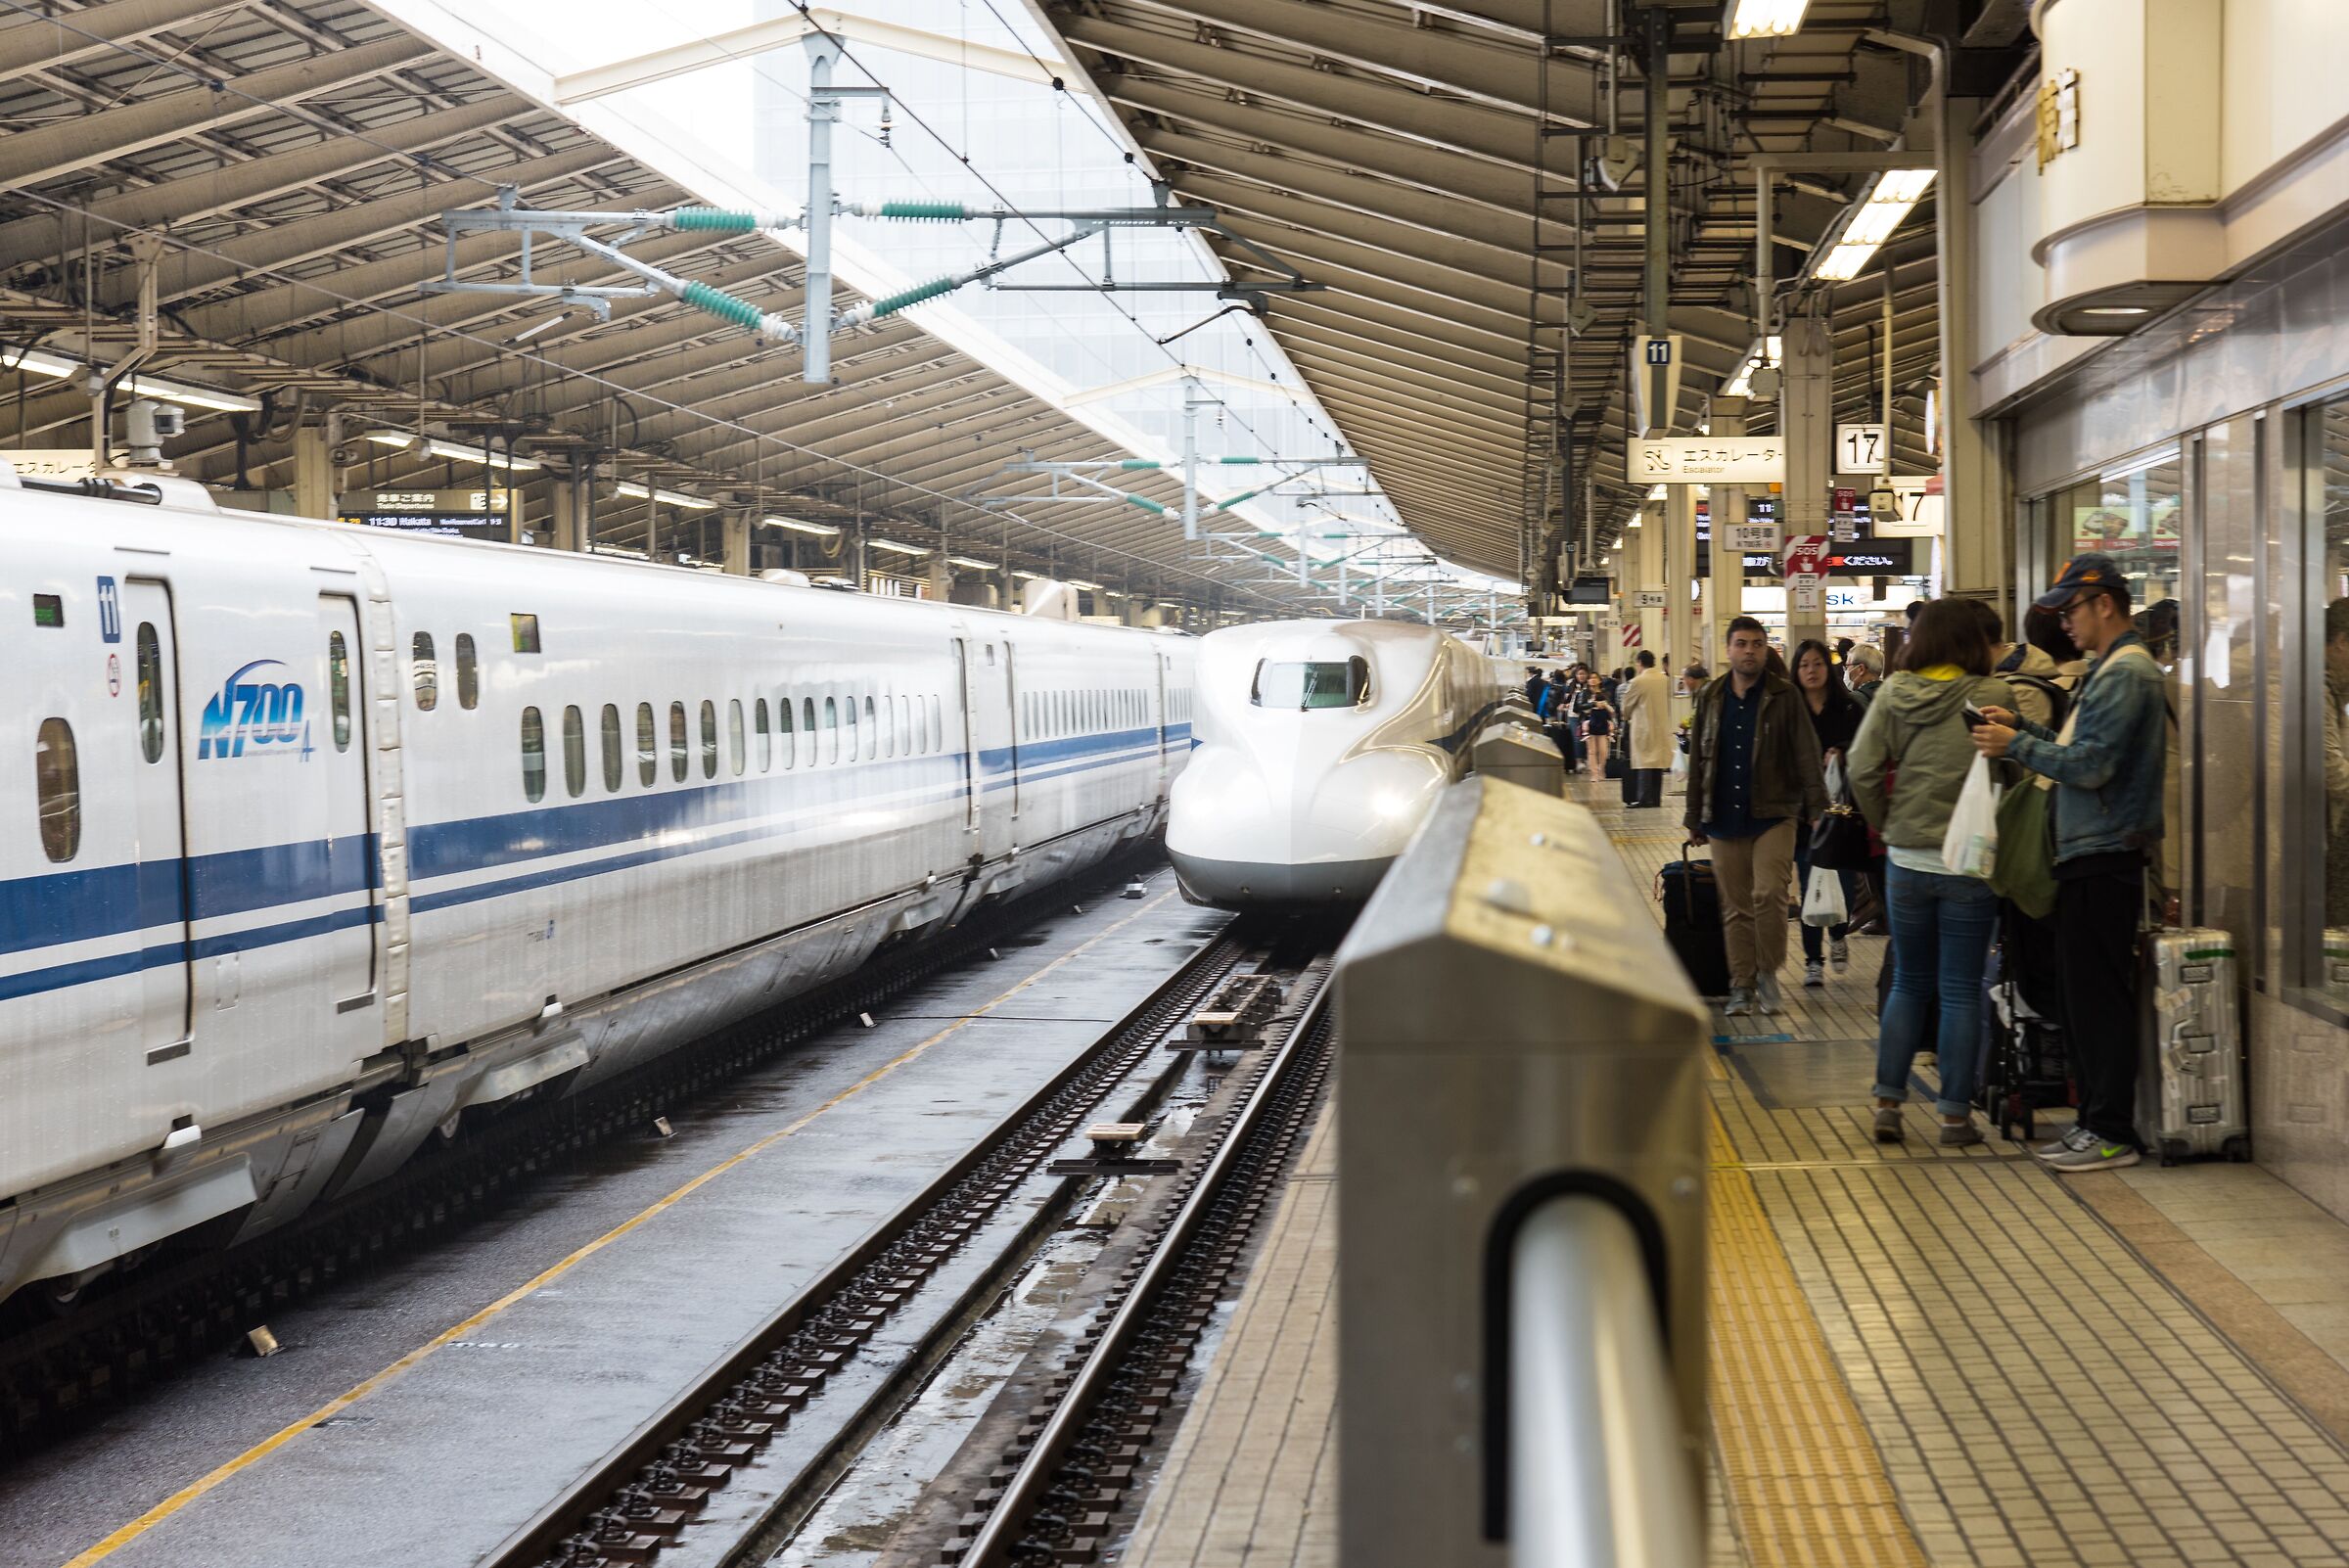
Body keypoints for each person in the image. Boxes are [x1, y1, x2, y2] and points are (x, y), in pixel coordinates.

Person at [1971, 553, 2168, 1173]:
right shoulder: (2107, 668)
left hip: (2106, 855)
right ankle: (2093, 1124)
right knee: (2081, 998)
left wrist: (2017, 745)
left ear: (2104, 604)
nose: (2064, 623)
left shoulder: (2127, 673)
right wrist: (2020, 731)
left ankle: (2111, 1132)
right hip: (2086, 852)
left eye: (2071, 610)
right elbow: (2079, 749)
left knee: (2099, 999)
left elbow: (2091, 765)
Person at [1848, 601, 2015, 1147]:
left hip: (1907, 860)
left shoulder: (1895, 693)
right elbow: (2014, 771)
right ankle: (1954, 1118)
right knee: (1960, 989)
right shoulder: (1993, 695)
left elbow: (1860, 768)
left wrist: (1887, 823)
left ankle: (1887, 1104)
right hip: (1970, 860)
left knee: (1909, 982)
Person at [1683, 617, 1827, 1017]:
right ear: (1728, 650)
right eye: (1742, 644)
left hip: (1774, 812)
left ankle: (1768, 971)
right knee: (1735, 905)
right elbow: (1698, 760)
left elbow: (1807, 754)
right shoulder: (1711, 696)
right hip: (1723, 816)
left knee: (1769, 894)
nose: (1750, 651)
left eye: (1757, 644)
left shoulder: (1785, 696)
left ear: (1767, 650)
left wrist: (1817, 808)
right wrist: (1694, 816)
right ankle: (1741, 985)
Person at [1790, 639, 1864, 987]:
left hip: (1841, 813)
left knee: (1844, 885)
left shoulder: (1848, 707)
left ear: (1828, 668)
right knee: (1809, 885)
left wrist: (1842, 753)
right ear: (1796, 670)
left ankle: (1837, 934)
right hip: (1803, 813)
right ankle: (1812, 961)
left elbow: (1866, 746)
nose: (1811, 671)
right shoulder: (1790, 710)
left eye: (1818, 663)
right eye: (1804, 665)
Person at [1621, 650, 1673, 807]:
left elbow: (1626, 706)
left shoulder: (1638, 681)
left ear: (1639, 663)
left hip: (1643, 726)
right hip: (1661, 726)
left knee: (1645, 761)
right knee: (1657, 762)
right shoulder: (1664, 680)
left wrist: (1626, 716)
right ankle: (1656, 798)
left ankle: (1644, 798)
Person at [1579, 669, 1616, 779]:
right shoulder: (1584, 693)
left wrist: (1605, 706)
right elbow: (1580, 706)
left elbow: (1612, 708)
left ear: (1600, 680)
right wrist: (1593, 704)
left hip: (1603, 724)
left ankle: (1601, 770)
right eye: (1590, 678)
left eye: (1595, 678)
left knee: (1603, 750)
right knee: (1592, 751)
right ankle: (1594, 773)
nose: (1593, 680)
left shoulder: (1605, 693)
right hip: (1589, 724)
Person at [1846, 644, 1885, 710]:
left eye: (1848, 666)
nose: (1847, 670)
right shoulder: (1890, 694)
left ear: (1861, 669)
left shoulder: (1855, 699)